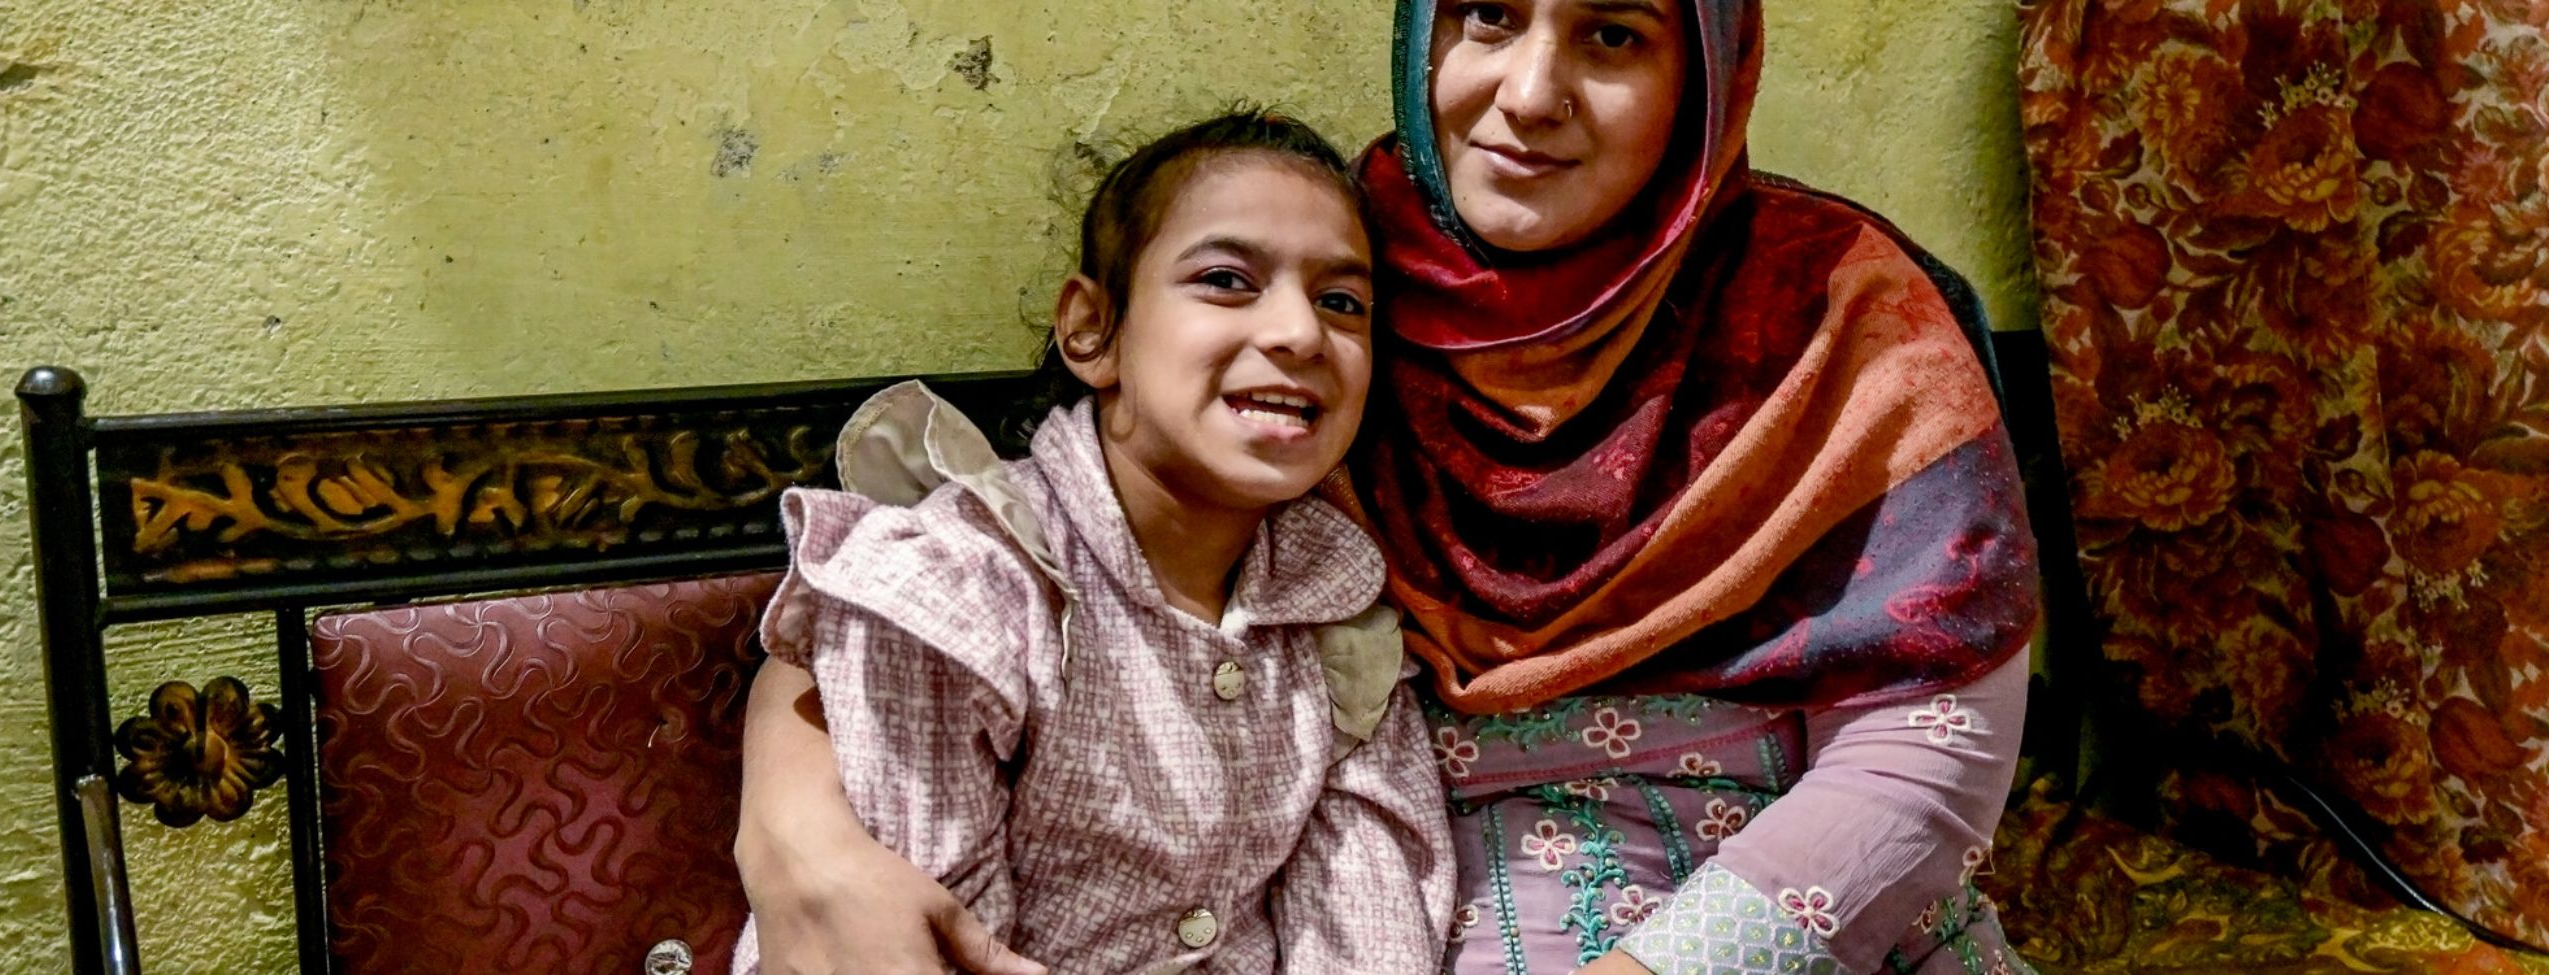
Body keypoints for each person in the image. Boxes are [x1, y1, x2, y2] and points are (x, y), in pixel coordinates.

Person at [734, 1, 2042, 972]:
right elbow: (954, 590)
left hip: (1824, 925)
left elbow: (1927, 765)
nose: (1530, 94)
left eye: (1613, 35)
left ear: (1706, 80)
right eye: (1487, 15)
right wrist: (800, 841)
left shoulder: (1840, 316)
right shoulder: (1332, 284)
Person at [728, 110, 1455, 975]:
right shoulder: (968, 585)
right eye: (1227, 279)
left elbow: (1370, 928)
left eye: (1342, 301)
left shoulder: (1337, 623)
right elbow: (915, 943)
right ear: (1092, 329)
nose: (1300, 333)